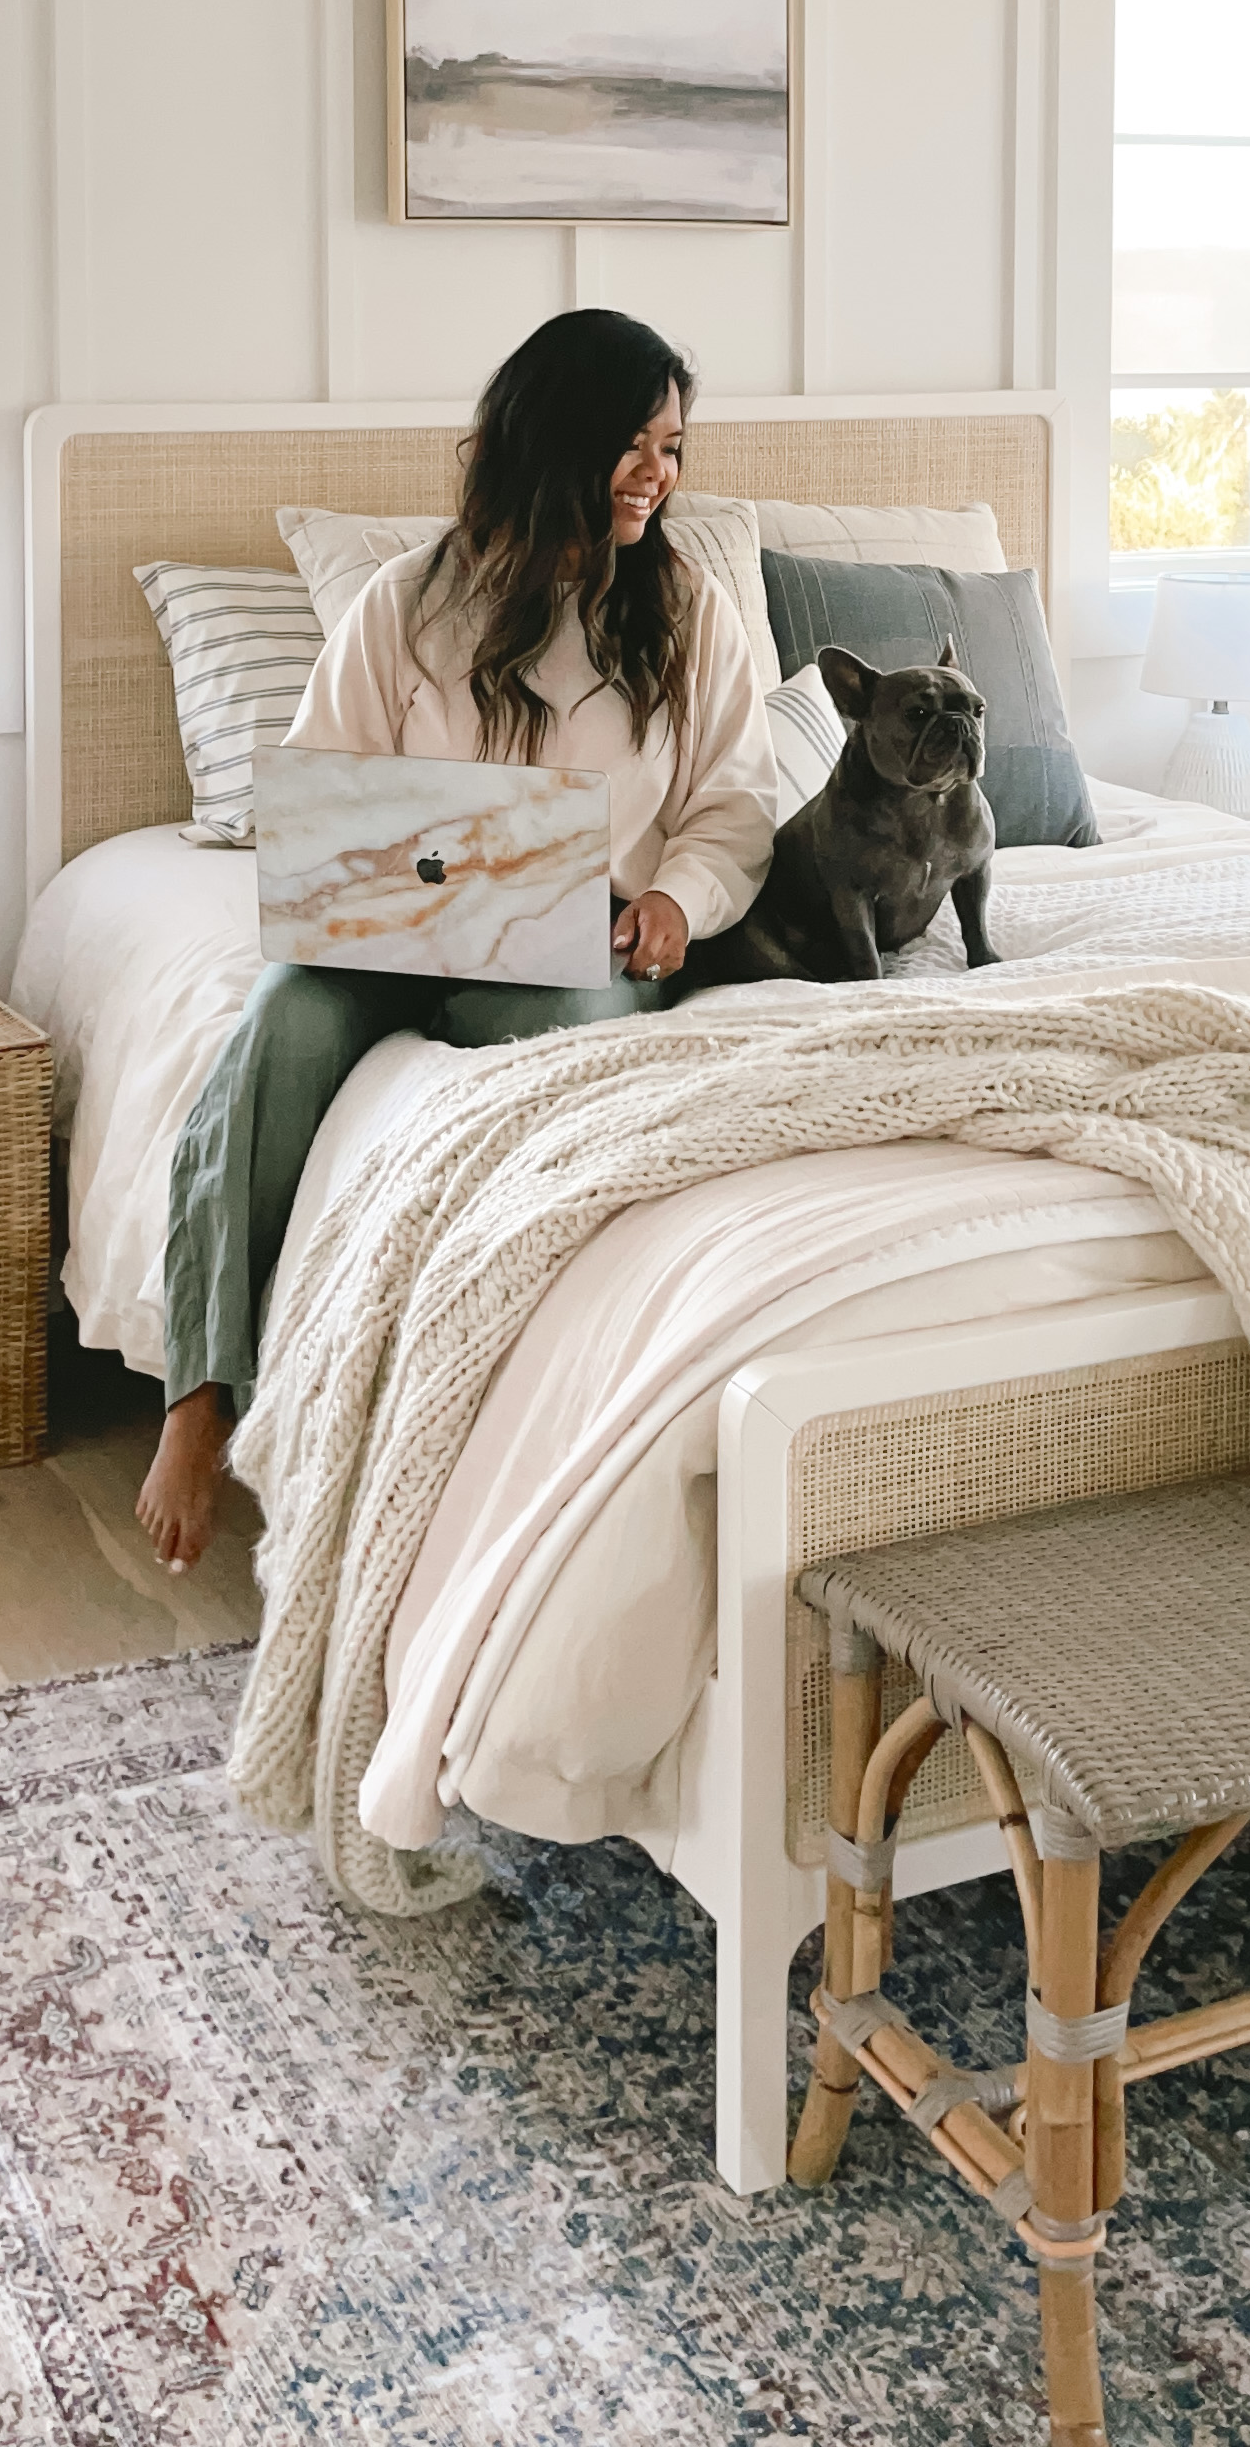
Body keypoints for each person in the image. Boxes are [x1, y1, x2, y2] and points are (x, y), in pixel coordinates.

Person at [135, 309, 774, 1569]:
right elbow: (317, 799)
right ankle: (201, 1397)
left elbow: (736, 807)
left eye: (674, 448)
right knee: (274, 1029)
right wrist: (369, 885)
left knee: (562, 1045)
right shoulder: (402, 607)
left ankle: (487, 1404)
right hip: (391, 942)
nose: (659, 474)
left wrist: (674, 906)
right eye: (633, 444)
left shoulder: (689, 613)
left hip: (576, 955)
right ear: (554, 442)